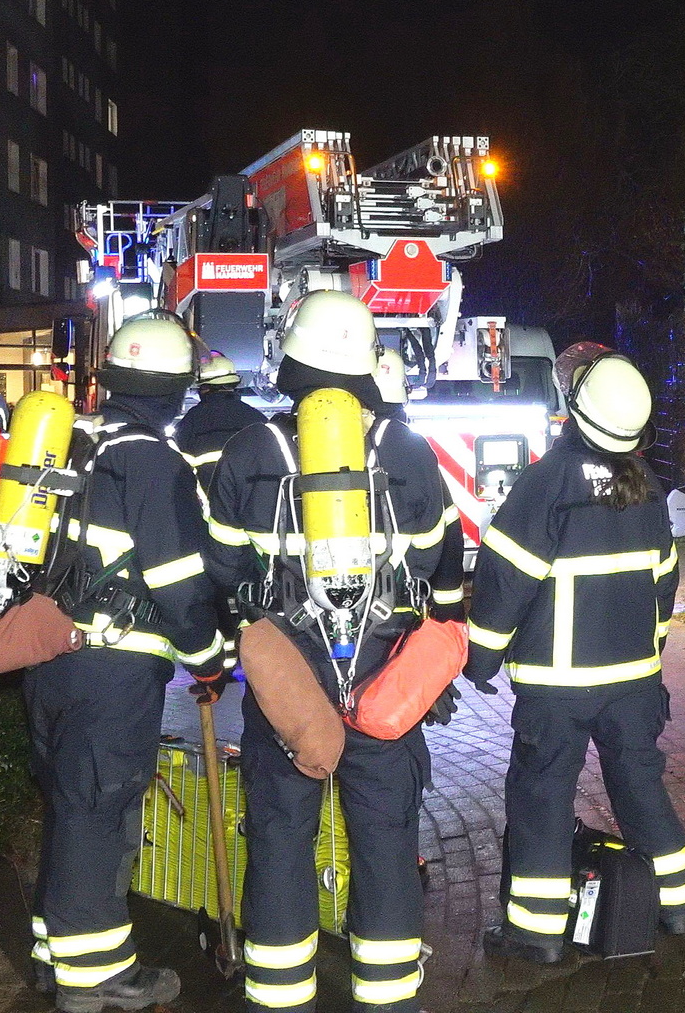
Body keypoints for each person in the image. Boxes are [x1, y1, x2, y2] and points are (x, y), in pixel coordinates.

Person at [204, 291, 458, 1013]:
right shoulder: (407, 451)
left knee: (281, 841)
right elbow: (442, 562)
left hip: (288, 694)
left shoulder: (252, 450)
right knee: (385, 839)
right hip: (386, 689)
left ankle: (280, 994)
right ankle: (388, 994)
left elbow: (222, 571)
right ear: (365, 367)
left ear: (292, 362)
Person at [26, 316, 232, 1012]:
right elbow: (177, 581)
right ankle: (96, 978)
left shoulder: (76, 440)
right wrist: (209, 660)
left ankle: (54, 953)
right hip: (112, 670)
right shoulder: (153, 461)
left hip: (49, 656)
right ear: (176, 393)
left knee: (68, 808)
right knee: (100, 813)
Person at [465, 348, 685, 966]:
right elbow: (664, 583)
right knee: (640, 785)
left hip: (557, 687)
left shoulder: (548, 482)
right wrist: (651, 650)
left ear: (574, 408)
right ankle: (675, 903)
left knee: (542, 797)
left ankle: (535, 932)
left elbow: (507, 577)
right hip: (635, 682)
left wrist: (480, 659)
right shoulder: (646, 487)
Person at [172, 351, 264, 493]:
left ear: (205, 388)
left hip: (208, 503)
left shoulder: (191, 421)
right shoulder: (257, 419)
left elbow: (178, 467)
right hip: (253, 504)